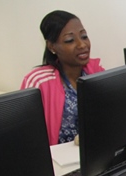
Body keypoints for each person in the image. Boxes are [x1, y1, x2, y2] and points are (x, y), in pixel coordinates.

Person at [20, 10, 104, 145]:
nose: (82, 45)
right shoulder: (38, 82)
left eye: (84, 36)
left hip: (93, 150)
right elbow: (26, 135)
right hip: (57, 156)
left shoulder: (96, 72)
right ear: (51, 46)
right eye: (70, 40)